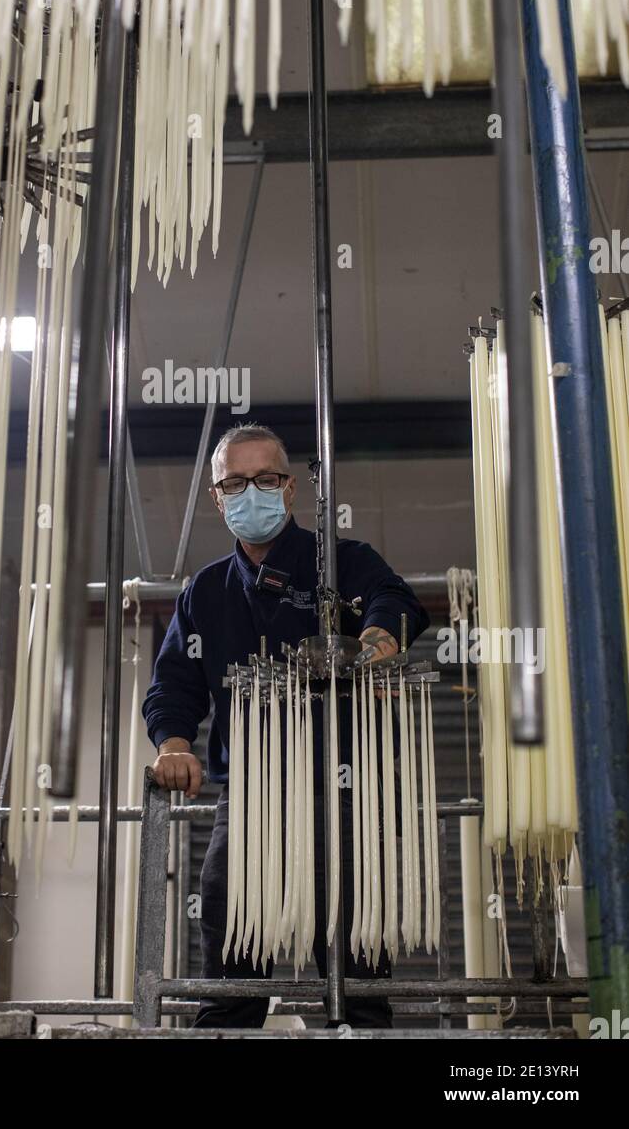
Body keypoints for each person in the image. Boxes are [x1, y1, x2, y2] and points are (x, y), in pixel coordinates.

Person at [142, 422, 429, 1028]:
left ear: (290, 488)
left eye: (265, 479)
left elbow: (397, 603)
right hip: (250, 799)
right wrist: (173, 744)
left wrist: (369, 645)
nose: (253, 493)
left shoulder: (342, 563)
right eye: (236, 483)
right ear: (218, 498)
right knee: (230, 959)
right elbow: (174, 686)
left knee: (355, 972)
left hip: (347, 793)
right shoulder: (206, 592)